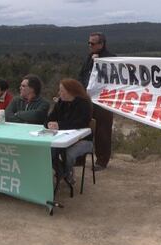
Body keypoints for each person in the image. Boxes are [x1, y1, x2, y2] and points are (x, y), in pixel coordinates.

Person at [78, 32, 115, 171]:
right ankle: (79, 157)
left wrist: (97, 63)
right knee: (83, 128)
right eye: (88, 43)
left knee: (102, 131)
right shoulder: (89, 58)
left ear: (101, 44)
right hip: (87, 99)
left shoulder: (111, 59)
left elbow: (111, 79)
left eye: (92, 43)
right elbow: (82, 75)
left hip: (104, 101)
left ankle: (101, 161)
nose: (90, 45)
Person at [46, 78, 93, 184]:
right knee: (48, 151)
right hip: (62, 138)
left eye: (62, 91)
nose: (59, 93)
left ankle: (64, 173)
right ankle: (62, 172)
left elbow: (80, 123)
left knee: (69, 154)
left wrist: (59, 125)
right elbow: (50, 118)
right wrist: (49, 124)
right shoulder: (61, 103)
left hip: (83, 139)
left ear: (71, 91)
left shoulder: (83, 104)